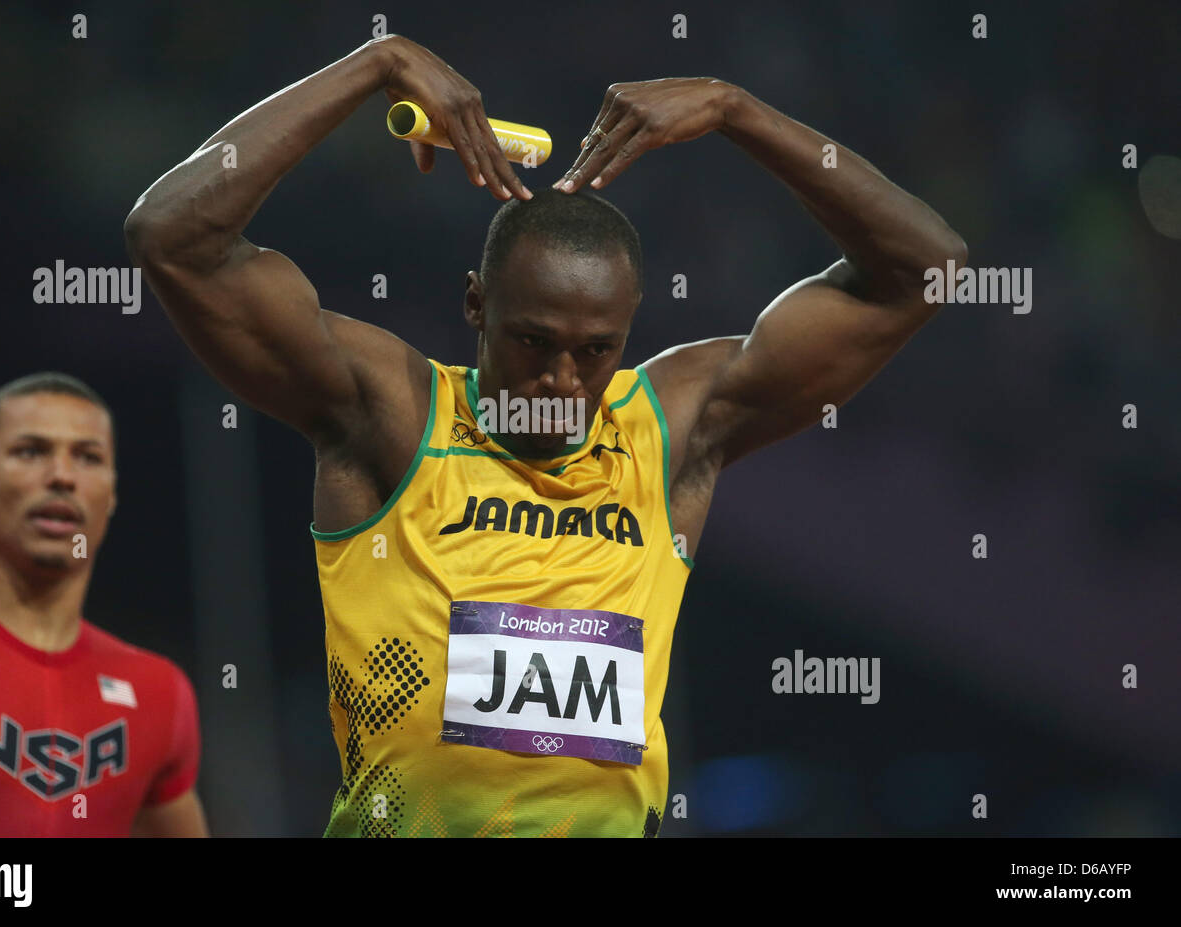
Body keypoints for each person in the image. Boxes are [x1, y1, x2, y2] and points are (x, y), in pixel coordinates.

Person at [124, 34, 965, 837]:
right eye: (533, 342)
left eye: (595, 350)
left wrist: (737, 110)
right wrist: (375, 65)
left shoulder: (673, 426)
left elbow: (926, 267)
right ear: (475, 306)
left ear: (628, 331)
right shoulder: (393, 412)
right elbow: (172, 237)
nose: (563, 381)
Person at [0, 373, 208, 837]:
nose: (61, 476)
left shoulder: (159, 694)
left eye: (88, 457)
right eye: (31, 451)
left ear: (111, 494)